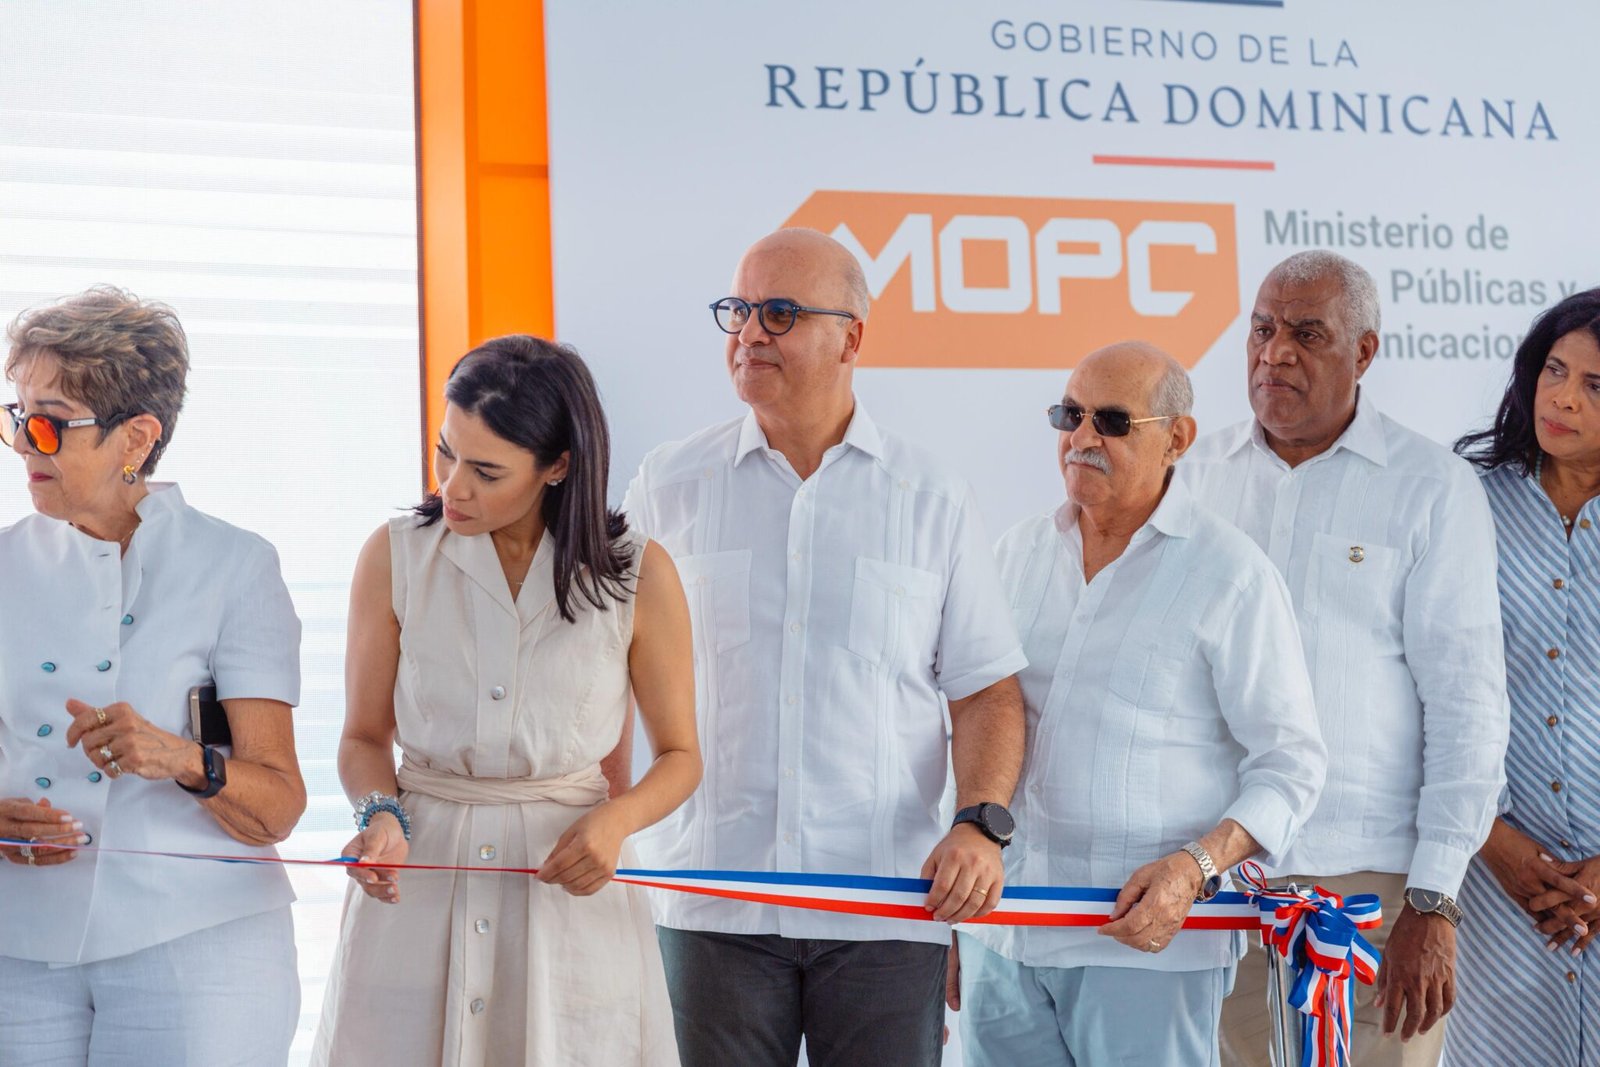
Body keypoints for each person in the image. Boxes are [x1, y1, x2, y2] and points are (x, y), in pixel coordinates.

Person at [622, 228, 1027, 1067]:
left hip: (883, 904)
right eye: (738, 310)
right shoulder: (668, 484)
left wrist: (981, 824)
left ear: (852, 338)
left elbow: (986, 690)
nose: (749, 333)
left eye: (779, 312)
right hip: (711, 899)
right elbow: (602, 667)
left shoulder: (931, 496)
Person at [312, 335, 700, 1067]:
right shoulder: (393, 555)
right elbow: (363, 735)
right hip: (417, 885)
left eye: (485, 471)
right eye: (445, 453)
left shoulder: (637, 574)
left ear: (559, 466)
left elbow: (681, 756)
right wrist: (380, 815)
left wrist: (616, 822)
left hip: (568, 887)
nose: (452, 488)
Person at [1178, 251, 1508, 1065]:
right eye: (1262, 330)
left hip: (1375, 893)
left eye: (1307, 334)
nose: (1275, 353)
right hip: (1219, 882)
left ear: (1363, 352)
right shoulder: (1190, 478)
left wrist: (1434, 898)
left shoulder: (1431, 487)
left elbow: (1467, 704)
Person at [955, 342, 1326, 1065]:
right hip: (1003, 934)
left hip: (1146, 947)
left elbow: (1292, 765)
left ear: (1177, 439)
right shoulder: (1014, 554)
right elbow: (973, 723)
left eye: (1113, 421)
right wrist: (957, 927)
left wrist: (1196, 866)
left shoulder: (1231, 574)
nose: (1082, 437)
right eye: (1069, 415)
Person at [0, 286, 307, 1064]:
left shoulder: (234, 565)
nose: (23, 444)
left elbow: (280, 804)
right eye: (15, 416)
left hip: (199, 949)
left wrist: (180, 757)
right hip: (18, 948)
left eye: (48, 422)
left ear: (136, 436)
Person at [1443, 289, 1600, 1066]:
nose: (1563, 397)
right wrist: (1490, 837)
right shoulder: (1462, 500)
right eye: (1554, 369)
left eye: (1596, 385)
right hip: (1498, 875)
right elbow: (1420, 688)